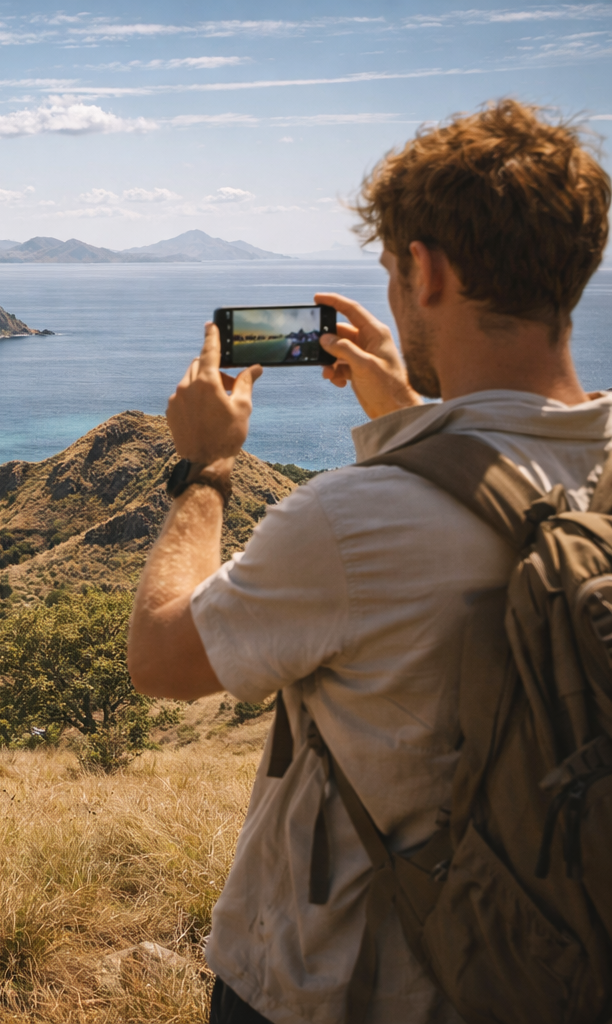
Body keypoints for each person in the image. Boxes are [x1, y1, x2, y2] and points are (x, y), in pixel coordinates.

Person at [126, 99, 610, 1024]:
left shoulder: (353, 524)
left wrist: (206, 466)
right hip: (555, 966)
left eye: (393, 269)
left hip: (339, 983)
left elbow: (161, 660)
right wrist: (402, 405)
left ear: (424, 270)